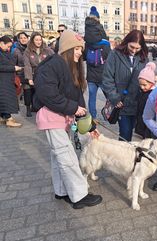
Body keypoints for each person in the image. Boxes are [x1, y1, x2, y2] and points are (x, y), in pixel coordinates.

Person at [33, 30, 102, 209]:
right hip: (51, 117)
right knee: (67, 157)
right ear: (66, 48)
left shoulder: (72, 67)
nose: (80, 52)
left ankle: (61, 191)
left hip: (62, 118)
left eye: (81, 48)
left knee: (59, 157)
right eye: (76, 48)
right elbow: (48, 95)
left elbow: (79, 100)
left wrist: (89, 126)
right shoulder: (52, 65)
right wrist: (73, 108)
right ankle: (79, 196)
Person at [102, 30, 148, 141]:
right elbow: (107, 79)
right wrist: (114, 97)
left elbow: (147, 77)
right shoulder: (115, 55)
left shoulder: (143, 58)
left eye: (137, 48)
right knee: (125, 134)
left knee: (134, 133)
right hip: (121, 103)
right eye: (132, 47)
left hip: (137, 103)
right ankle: (122, 157)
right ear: (126, 42)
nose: (134, 51)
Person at [84, 6, 111, 123]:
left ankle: (93, 118)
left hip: (90, 75)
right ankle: (111, 114)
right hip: (103, 75)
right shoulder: (104, 40)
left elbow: (84, 57)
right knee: (110, 96)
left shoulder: (86, 41)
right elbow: (108, 57)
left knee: (92, 98)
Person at [24, 32, 54, 116]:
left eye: (40, 40)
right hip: (33, 72)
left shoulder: (47, 49)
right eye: (36, 40)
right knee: (28, 90)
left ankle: (42, 108)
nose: (38, 42)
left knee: (43, 91)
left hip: (44, 74)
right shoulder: (28, 51)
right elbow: (27, 65)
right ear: (33, 40)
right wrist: (29, 78)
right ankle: (28, 108)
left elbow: (55, 59)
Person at [0, 36, 23, 127]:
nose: (9, 48)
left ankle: (3, 116)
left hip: (7, 79)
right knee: (6, 99)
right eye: (8, 46)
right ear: (2, 43)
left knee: (4, 99)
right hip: (3, 80)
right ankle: (9, 119)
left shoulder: (4, 52)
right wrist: (13, 68)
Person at [135, 62, 157, 139]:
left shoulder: (153, 94)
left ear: (151, 83)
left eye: (144, 85)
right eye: (140, 85)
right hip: (142, 122)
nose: (142, 87)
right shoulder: (141, 92)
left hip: (149, 125)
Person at [13, 32, 30, 116]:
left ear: (28, 38)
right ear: (19, 39)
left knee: (29, 91)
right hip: (20, 74)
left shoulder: (30, 49)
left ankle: (31, 108)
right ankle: (23, 108)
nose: (23, 39)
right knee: (23, 91)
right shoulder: (16, 50)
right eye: (21, 38)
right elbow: (13, 64)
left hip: (29, 73)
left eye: (25, 38)